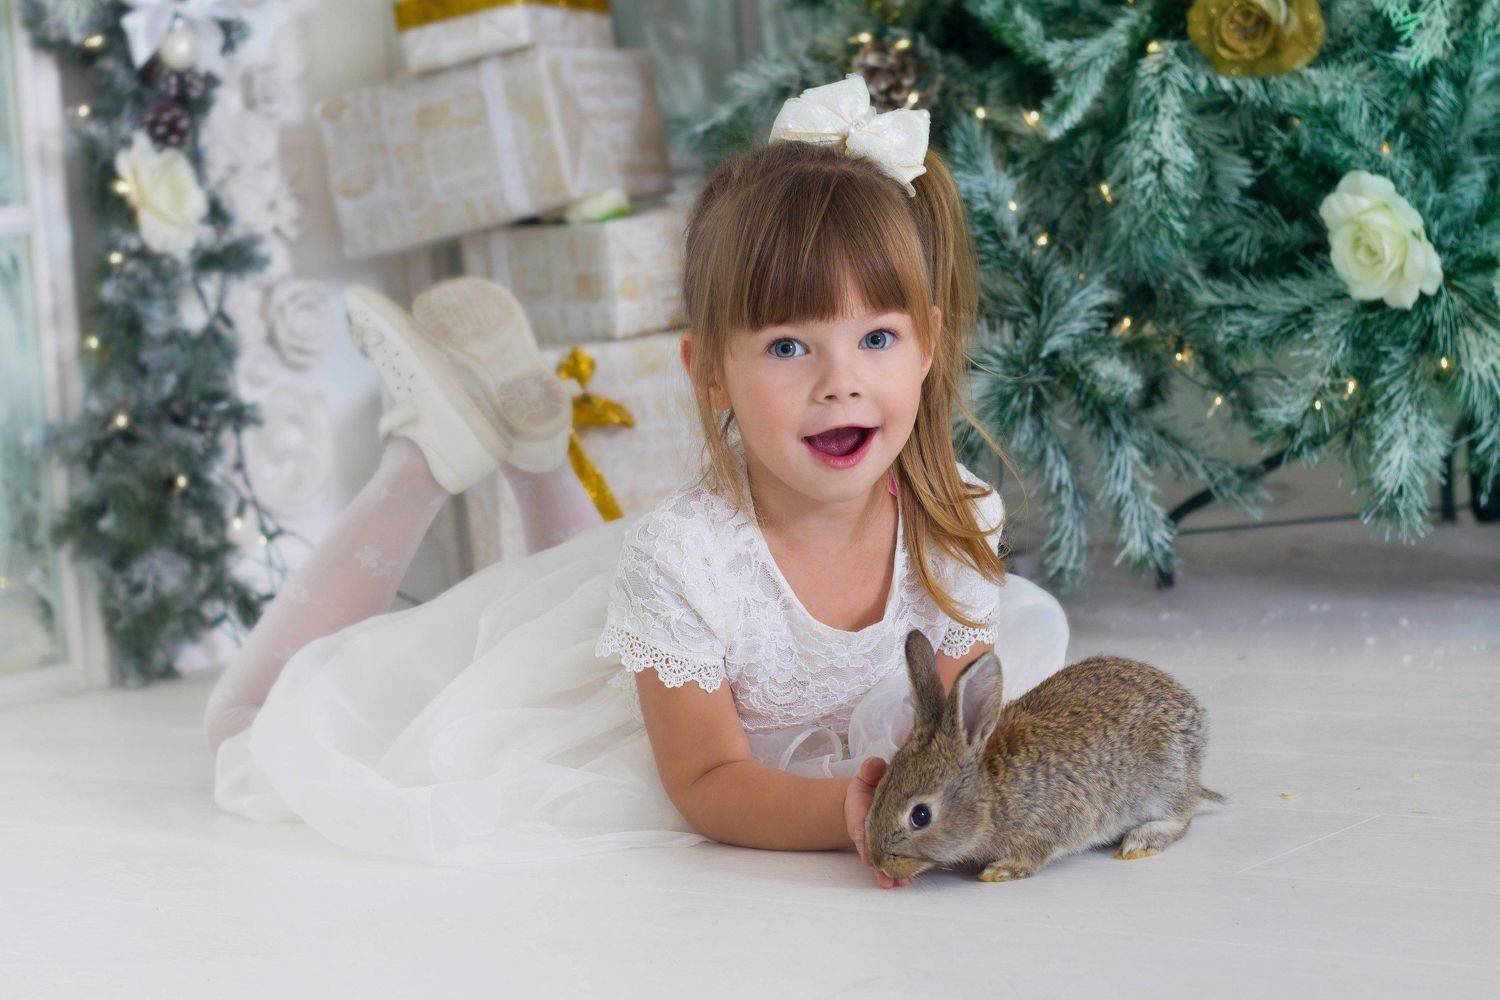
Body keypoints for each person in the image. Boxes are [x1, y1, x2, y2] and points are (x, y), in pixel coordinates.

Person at [205, 73, 1069, 887]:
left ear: (928, 345)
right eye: (787, 346)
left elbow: (952, 747)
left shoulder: (956, 519)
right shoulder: (685, 560)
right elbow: (705, 778)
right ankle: (422, 461)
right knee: (256, 732)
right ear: (710, 374)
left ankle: (539, 453)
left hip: (648, 615)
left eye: (876, 338)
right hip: (635, 703)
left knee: (575, 575)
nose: (839, 382)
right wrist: (842, 812)